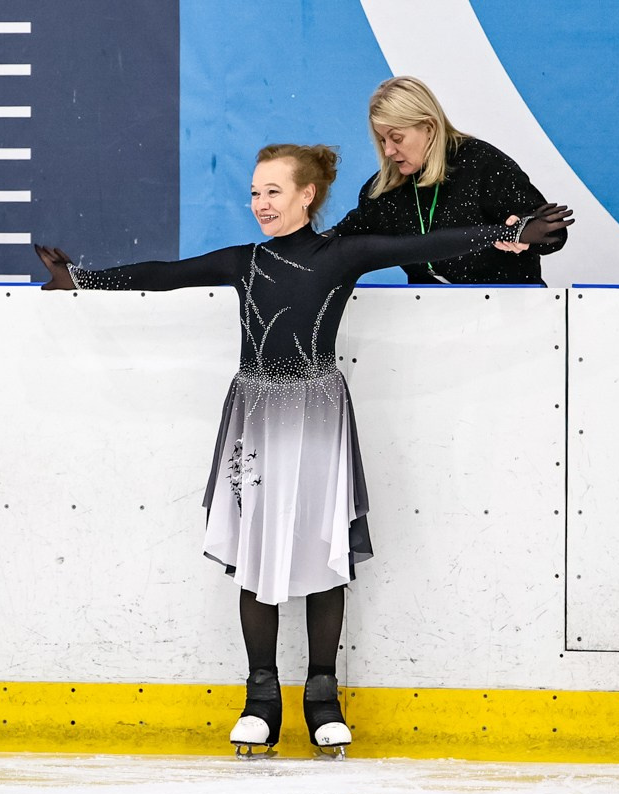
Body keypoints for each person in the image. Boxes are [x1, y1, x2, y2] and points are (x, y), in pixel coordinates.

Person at [35, 144, 573, 758]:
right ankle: (260, 699)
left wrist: (511, 232)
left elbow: (426, 244)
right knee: (256, 550)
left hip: (318, 414)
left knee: (323, 548)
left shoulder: (341, 254)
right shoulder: (245, 261)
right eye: (255, 192)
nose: (260, 203)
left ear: (306, 195)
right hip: (257, 415)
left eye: (273, 191)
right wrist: (82, 279)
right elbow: (166, 273)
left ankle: (323, 699)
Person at [330, 76, 568, 285]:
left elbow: (553, 236)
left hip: (510, 310)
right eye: (383, 140)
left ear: (429, 127)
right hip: (430, 315)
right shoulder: (385, 191)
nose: (388, 151)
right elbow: (342, 240)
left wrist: (525, 233)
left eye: (397, 138)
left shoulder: (483, 165)